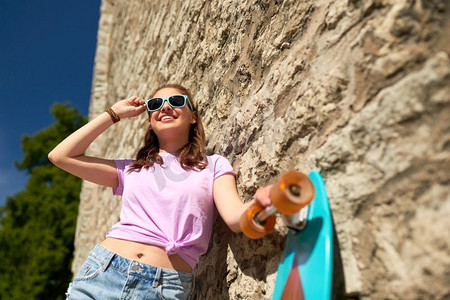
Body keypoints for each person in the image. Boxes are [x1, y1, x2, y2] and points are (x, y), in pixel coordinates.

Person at [48, 84, 272, 299]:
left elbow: (234, 217)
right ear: (150, 123)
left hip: (164, 286)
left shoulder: (214, 165)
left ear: (193, 116)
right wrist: (114, 113)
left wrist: (261, 205)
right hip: (103, 273)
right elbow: (61, 157)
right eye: (156, 104)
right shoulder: (130, 169)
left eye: (175, 101)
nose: (165, 107)